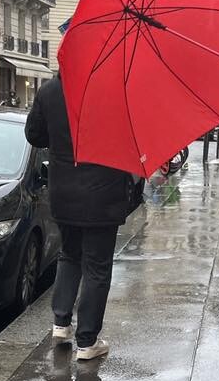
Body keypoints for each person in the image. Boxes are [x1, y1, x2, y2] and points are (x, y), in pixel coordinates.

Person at [25, 69, 136, 361]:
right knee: (97, 267)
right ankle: (87, 341)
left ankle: (61, 323)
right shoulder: (118, 93)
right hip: (104, 194)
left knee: (69, 254)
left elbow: (34, 135)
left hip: (64, 192)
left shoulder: (51, 91)